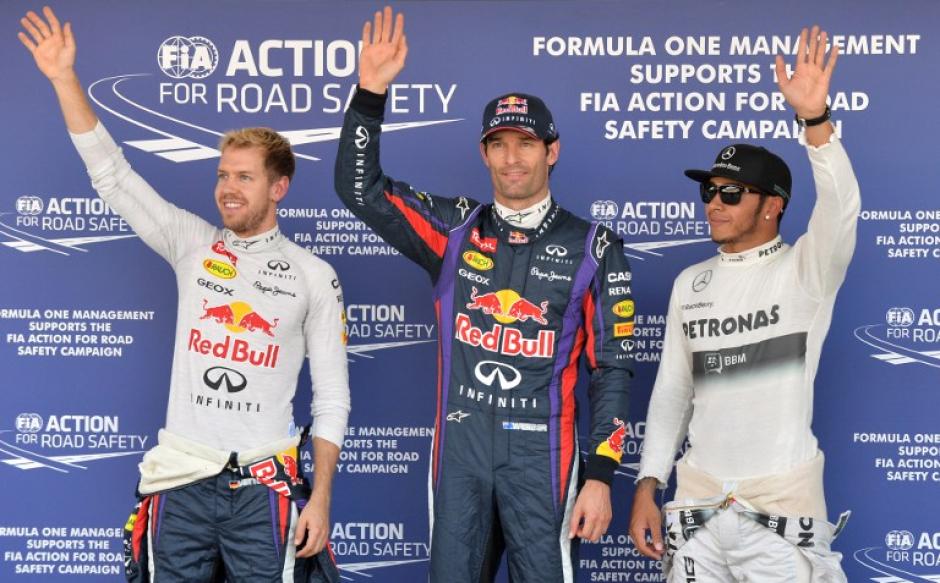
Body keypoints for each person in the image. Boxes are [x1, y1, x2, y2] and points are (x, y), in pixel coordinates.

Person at [18, 7, 349, 582]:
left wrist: (319, 499)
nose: (227, 188)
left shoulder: (313, 274)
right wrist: (64, 79)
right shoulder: (193, 244)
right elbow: (113, 176)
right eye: (222, 175)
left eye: (244, 177)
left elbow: (332, 398)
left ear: (279, 187)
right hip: (180, 479)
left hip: (264, 488)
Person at [334, 7, 634, 582]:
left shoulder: (594, 247)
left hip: (544, 460)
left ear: (552, 150)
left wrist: (600, 475)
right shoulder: (454, 229)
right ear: (484, 153)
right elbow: (361, 191)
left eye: (526, 143)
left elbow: (613, 372)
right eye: (498, 144)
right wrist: (370, 95)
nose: (512, 158)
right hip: (462, 455)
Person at [628, 26, 858, 582]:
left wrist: (815, 122)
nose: (714, 203)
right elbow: (673, 393)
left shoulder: (806, 271)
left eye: (731, 193)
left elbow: (841, 209)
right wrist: (647, 485)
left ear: (772, 206)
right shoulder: (690, 283)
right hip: (696, 515)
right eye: (709, 190)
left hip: (780, 517)